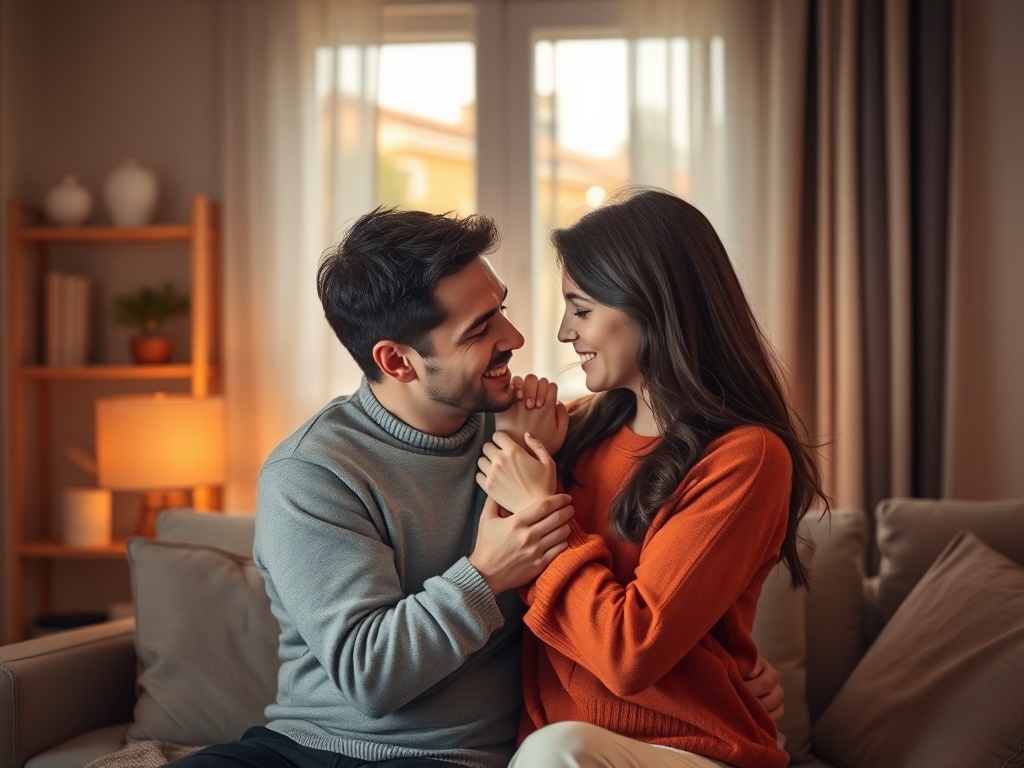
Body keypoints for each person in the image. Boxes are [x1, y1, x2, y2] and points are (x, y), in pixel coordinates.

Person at [169, 205, 783, 768]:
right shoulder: (312, 472)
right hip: (302, 748)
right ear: (397, 361)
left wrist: (733, 668)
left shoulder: (542, 434)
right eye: (481, 327)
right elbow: (370, 675)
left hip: (460, 758)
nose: (520, 339)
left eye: (504, 308)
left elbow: (657, 608)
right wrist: (487, 573)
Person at [476, 189, 829, 768]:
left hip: (692, 750)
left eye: (581, 308)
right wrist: (527, 446)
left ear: (653, 306)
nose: (565, 332)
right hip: (568, 748)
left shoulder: (746, 458)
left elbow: (628, 653)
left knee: (555, 753)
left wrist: (543, 510)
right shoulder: (578, 438)